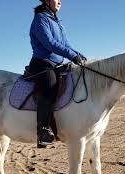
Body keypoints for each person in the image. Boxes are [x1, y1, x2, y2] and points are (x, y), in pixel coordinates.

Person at [28, 0, 86, 148]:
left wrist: (79, 54)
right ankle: (43, 130)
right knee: (50, 83)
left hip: (59, 64)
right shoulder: (40, 19)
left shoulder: (58, 22)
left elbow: (66, 45)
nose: (60, 1)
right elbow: (49, 43)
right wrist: (72, 56)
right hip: (43, 62)